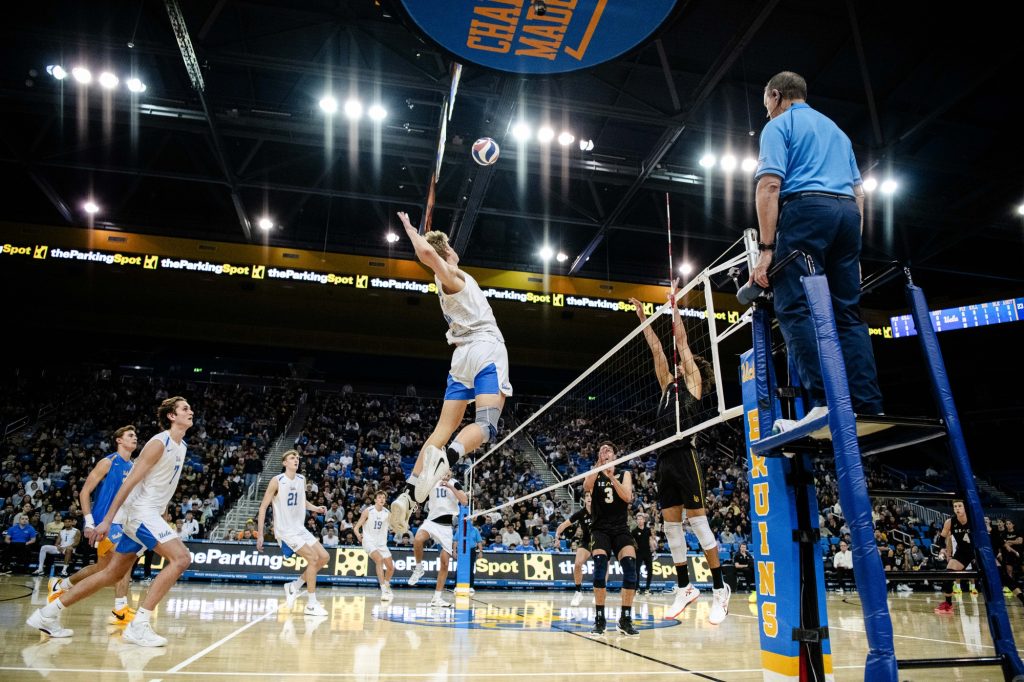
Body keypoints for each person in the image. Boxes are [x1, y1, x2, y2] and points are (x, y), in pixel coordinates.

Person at [749, 70, 883, 432]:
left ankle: (827, 403)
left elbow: (770, 186)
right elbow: (859, 195)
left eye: (767, 106)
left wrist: (765, 250)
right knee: (848, 314)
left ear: (776, 96)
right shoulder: (837, 132)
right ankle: (869, 405)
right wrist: (853, 252)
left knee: (793, 306)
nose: (766, 114)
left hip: (807, 212)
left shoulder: (779, 126)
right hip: (846, 216)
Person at [27, 397, 194, 647]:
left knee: (111, 574)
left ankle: (46, 615)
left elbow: (162, 486)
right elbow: (129, 483)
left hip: (148, 513)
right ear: (171, 416)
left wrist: (164, 513)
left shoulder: (182, 447)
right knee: (181, 559)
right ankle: (139, 625)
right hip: (139, 513)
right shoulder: (159, 443)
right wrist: (105, 521)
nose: (190, 411)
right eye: (185, 409)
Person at [390, 210, 513, 533]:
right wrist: (410, 230)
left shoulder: (446, 280)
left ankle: (407, 494)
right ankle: (450, 457)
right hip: (485, 348)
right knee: (486, 426)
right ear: (449, 251)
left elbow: (434, 254)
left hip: (460, 361)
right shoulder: (451, 276)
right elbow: (428, 253)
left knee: (441, 431)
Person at [631, 284, 731, 625]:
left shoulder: (692, 383)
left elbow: (680, 343)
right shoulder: (666, 387)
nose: (676, 368)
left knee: (699, 523)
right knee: (672, 528)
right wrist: (644, 317)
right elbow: (658, 349)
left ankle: (720, 589)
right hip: (664, 461)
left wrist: (674, 307)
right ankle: (685, 587)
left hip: (686, 456)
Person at [256, 450, 330, 616]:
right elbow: (262, 507)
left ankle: (294, 586)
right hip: (285, 530)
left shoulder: (301, 479)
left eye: (297, 458)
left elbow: (302, 501)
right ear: (284, 463)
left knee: (324, 557)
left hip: (299, 528)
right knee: (313, 558)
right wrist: (260, 534)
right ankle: (311, 604)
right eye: (292, 458)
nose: (296, 460)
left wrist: (316, 508)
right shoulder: (277, 481)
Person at [584, 442, 639, 637]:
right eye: (601, 450)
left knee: (631, 569)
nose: (605, 452)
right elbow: (586, 486)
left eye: (608, 450)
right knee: (600, 569)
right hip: (600, 529)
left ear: (615, 455)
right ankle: (600, 619)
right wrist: (599, 467)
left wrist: (611, 477)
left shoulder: (624, 473)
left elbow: (627, 497)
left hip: (620, 529)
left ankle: (625, 619)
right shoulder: (595, 472)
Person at [408, 473, 467, 608]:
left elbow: (464, 501)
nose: (447, 472)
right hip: (431, 522)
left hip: (446, 527)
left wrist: (450, 486)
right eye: (444, 469)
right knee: (417, 539)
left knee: (445, 563)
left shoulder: (455, 482)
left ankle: (437, 598)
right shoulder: (432, 481)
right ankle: (418, 568)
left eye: (449, 470)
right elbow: (419, 496)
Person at [935, 500, 974, 615]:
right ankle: (948, 604)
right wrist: (942, 549)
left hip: (977, 550)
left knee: (999, 573)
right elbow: (941, 539)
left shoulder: (973, 519)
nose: (957, 508)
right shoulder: (950, 522)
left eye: (960, 506)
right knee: (948, 575)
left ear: (965, 507)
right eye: (955, 506)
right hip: (962, 552)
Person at [354, 490, 394, 601]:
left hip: (382, 543)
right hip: (368, 541)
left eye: (383, 498)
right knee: (379, 560)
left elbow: (393, 528)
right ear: (375, 500)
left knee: (391, 568)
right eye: (380, 497)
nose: (382, 499)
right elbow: (356, 527)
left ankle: (386, 585)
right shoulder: (368, 511)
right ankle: (383, 591)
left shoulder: (387, 513)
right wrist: (358, 535)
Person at [554, 492, 593, 607]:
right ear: (584, 499)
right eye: (587, 496)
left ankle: (599, 590)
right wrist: (557, 538)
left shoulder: (600, 510)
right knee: (577, 564)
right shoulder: (580, 513)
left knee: (602, 564)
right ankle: (578, 592)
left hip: (599, 541)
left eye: (591, 496)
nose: (589, 498)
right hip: (586, 542)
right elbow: (562, 526)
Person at [454, 516, 483, 594]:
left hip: (471, 550)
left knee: (471, 568)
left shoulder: (475, 530)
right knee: (459, 568)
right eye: (467, 521)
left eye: (470, 521)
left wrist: (480, 551)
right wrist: (454, 551)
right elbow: (455, 541)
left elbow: (479, 541)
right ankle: (457, 586)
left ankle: (470, 586)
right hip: (461, 550)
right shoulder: (460, 529)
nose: (469, 522)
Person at [631, 513, 656, 595]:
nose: (639, 520)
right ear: (636, 521)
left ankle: (647, 589)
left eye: (641, 519)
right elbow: (632, 542)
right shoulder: (634, 531)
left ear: (644, 520)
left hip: (647, 552)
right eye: (638, 519)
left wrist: (653, 548)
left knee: (650, 570)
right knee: (636, 571)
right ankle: (637, 588)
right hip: (638, 553)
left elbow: (650, 540)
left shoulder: (647, 530)